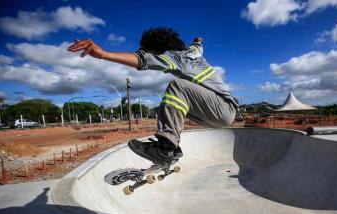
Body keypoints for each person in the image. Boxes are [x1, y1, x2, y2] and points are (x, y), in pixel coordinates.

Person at [67, 27, 238, 164]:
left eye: (150, 51)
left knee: (177, 87)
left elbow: (143, 60)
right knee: (174, 103)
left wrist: (104, 54)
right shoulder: (193, 52)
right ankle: (173, 146)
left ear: (156, 49)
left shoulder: (174, 57)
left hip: (221, 108)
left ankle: (165, 148)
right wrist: (198, 40)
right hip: (219, 111)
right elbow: (197, 45)